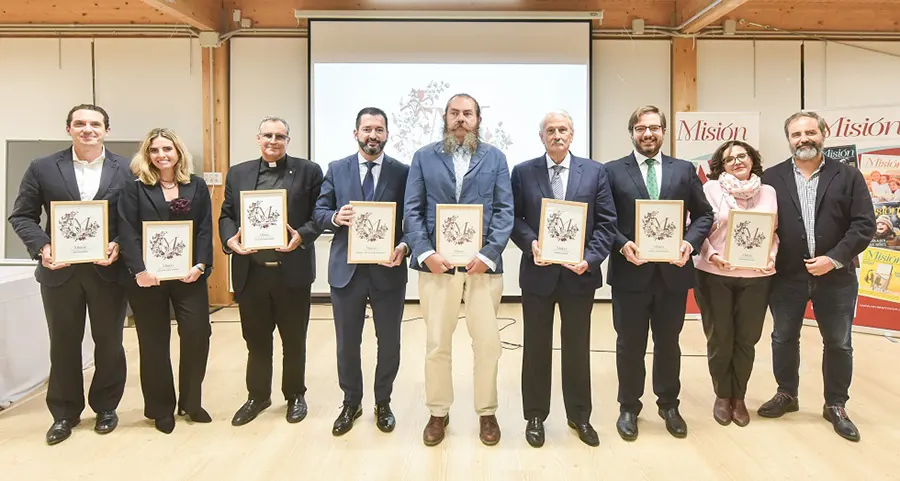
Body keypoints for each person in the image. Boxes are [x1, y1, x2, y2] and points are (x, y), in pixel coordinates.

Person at [8, 104, 132, 445]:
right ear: (68, 129)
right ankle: (64, 414)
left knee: (109, 344)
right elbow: (22, 216)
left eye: (95, 124)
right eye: (80, 123)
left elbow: (134, 218)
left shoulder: (127, 169)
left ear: (107, 129)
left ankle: (106, 407)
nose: (88, 129)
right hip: (59, 272)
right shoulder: (43, 167)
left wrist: (120, 244)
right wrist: (43, 248)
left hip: (109, 272)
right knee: (63, 345)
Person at [758, 111, 875, 442]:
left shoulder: (848, 175)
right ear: (789, 140)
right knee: (782, 338)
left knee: (838, 342)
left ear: (824, 133)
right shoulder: (772, 177)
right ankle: (787, 394)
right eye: (796, 134)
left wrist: (834, 259)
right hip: (786, 276)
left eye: (810, 132)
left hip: (836, 277)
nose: (803, 139)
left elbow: (864, 224)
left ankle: (835, 404)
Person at [404, 93, 513, 447]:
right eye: (455, 113)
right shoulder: (423, 157)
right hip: (437, 267)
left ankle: (487, 412)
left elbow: (504, 211)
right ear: (445, 117)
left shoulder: (495, 158)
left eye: (468, 113)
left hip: (483, 267)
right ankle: (438, 412)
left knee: (487, 344)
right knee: (437, 343)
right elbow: (412, 210)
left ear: (478, 119)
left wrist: (489, 253)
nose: (461, 119)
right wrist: (425, 252)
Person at [604, 105, 713, 441]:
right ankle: (628, 406)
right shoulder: (611, 171)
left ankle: (668, 404)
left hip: (673, 274)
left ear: (664, 131)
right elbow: (603, 220)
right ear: (632, 132)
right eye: (640, 128)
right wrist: (623, 245)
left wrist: (688, 244)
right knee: (629, 344)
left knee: (669, 343)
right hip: (629, 273)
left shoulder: (683, 170)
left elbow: (704, 216)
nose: (647, 134)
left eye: (654, 127)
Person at [509, 110, 617, 448]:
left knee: (577, 348)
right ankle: (536, 416)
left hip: (579, 276)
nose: (557, 135)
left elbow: (606, 222)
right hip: (538, 274)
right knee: (536, 348)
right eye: (551, 130)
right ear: (540, 136)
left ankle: (580, 416)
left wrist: (590, 259)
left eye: (564, 130)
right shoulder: (523, 172)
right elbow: (514, 218)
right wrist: (531, 244)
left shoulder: (595, 171)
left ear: (572, 135)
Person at [219, 116, 324, 426]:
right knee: (256, 339)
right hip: (251, 272)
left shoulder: (309, 171)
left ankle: (295, 395)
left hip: (291, 272)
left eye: (280, 136)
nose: (273, 141)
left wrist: (301, 235)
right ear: (258, 138)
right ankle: (258, 396)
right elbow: (226, 213)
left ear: (288, 140)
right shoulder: (238, 173)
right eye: (267, 135)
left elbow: (320, 213)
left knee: (294, 339)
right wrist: (229, 239)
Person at [313, 107, 409, 436]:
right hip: (346, 270)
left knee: (390, 342)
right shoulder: (337, 169)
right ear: (355, 133)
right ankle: (351, 402)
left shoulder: (403, 172)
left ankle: (383, 401)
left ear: (387, 134)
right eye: (367, 129)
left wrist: (405, 247)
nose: (373, 135)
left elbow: (413, 220)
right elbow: (319, 211)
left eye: (379, 130)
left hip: (388, 271)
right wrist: (334, 218)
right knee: (347, 343)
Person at [117, 128, 213, 434]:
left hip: (189, 277)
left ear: (179, 152)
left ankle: (191, 402)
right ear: (147, 156)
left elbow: (204, 229)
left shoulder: (195, 185)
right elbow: (128, 231)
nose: (162, 155)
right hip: (148, 279)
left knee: (198, 335)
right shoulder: (134, 189)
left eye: (167, 149)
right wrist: (139, 271)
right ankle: (161, 408)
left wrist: (200, 265)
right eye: (155, 150)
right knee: (154, 342)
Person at [692, 140, 778, 427]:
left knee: (747, 339)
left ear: (752, 159)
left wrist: (771, 258)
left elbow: (774, 233)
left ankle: (738, 397)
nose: (737, 161)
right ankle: (722, 394)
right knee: (720, 338)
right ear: (721, 166)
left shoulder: (768, 192)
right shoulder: (711, 189)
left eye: (743, 156)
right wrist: (711, 254)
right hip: (715, 275)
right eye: (730, 159)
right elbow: (698, 226)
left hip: (757, 277)